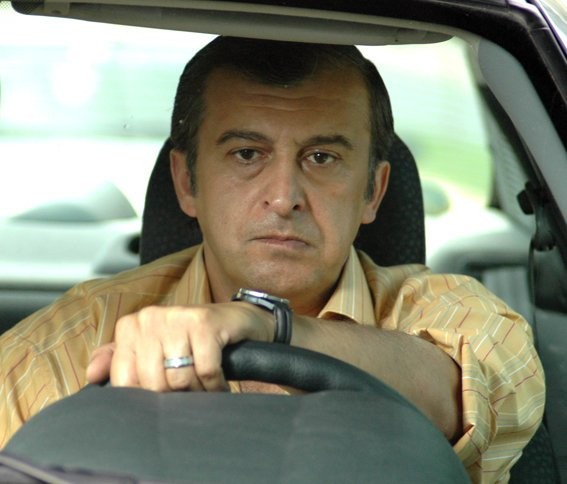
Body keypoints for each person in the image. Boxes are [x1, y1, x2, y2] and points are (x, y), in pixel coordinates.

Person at [0, 37, 544, 482]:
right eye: (247, 154)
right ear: (186, 182)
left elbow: (468, 388)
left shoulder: (457, 314)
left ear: (373, 192)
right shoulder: (56, 351)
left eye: (322, 157)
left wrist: (268, 326)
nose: (284, 197)